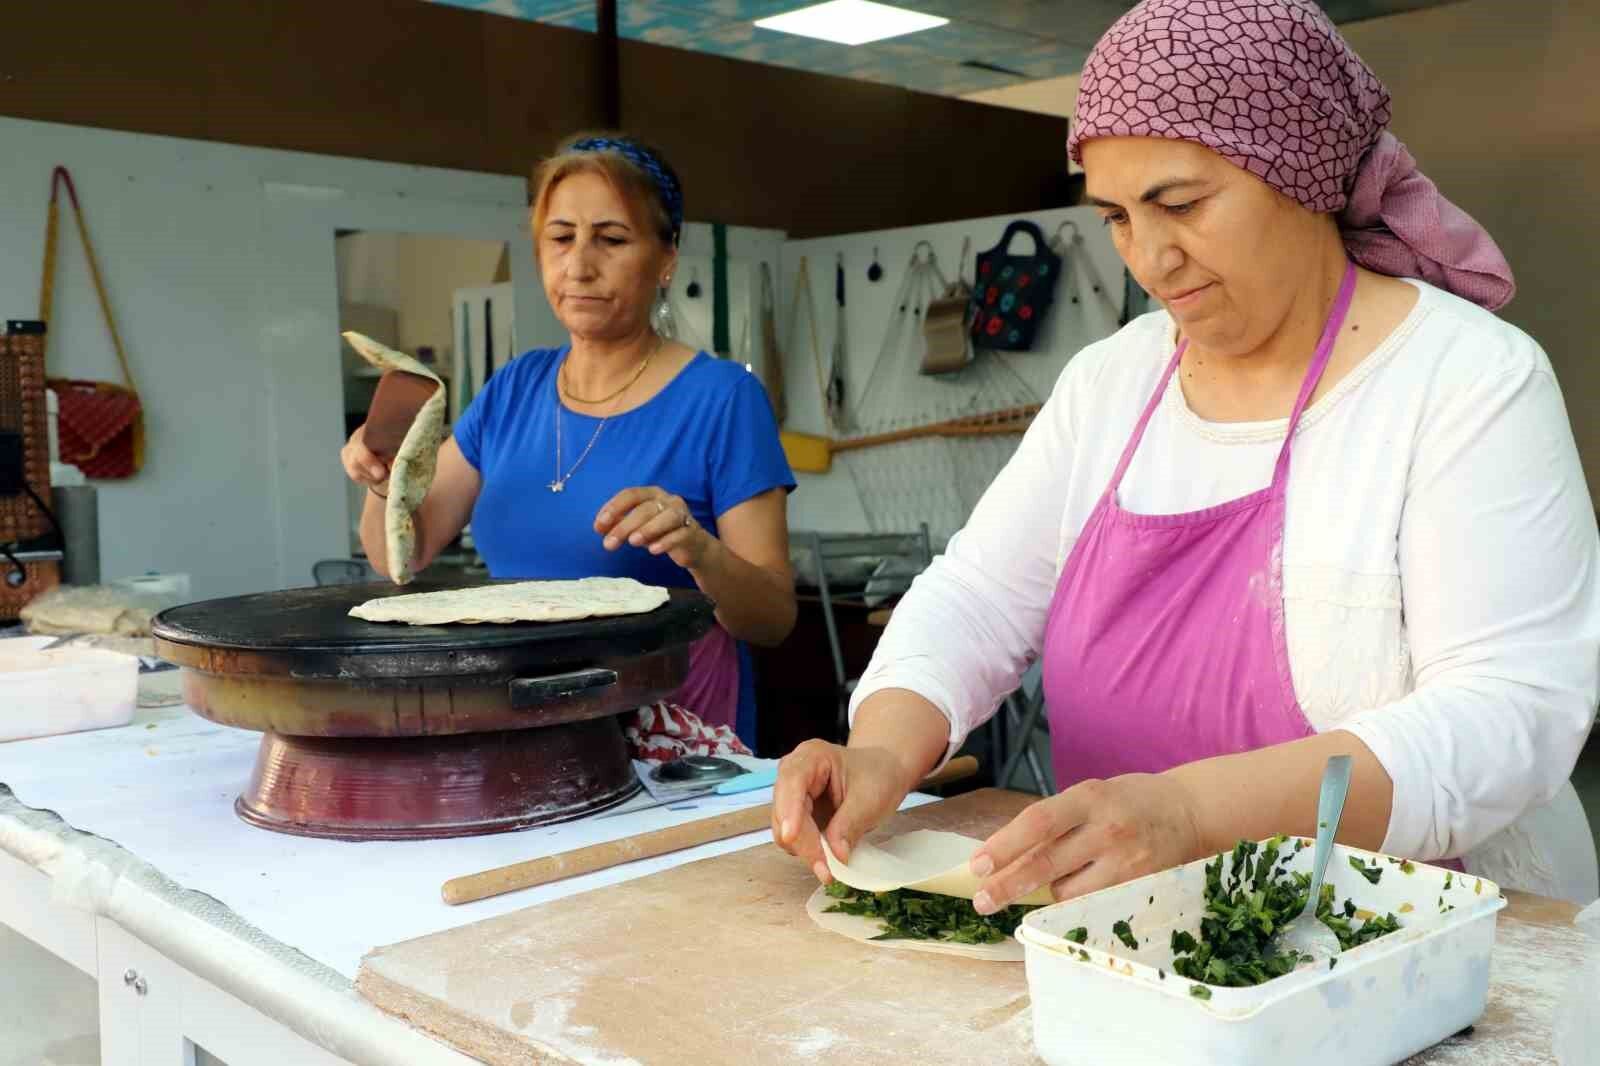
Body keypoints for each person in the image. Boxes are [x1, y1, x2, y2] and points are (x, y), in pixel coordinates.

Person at [773, 0, 1600, 906]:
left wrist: (1193, 812)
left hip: (1424, 942)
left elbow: (1507, 712)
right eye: (1119, 217)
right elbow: (977, 597)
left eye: (1180, 204)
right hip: (1140, 938)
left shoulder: (1464, 380)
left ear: (1305, 172)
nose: (1151, 260)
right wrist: (886, 749)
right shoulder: (1110, 385)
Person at [341, 133, 797, 745]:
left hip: (670, 742)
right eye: (561, 238)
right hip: (523, 727)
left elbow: (772, 618)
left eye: (611, 239)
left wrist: (698, 549)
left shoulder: (721, 398)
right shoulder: (515, 388)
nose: (579, 264)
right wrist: (384, 477)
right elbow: (404, 550)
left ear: (665, 259)